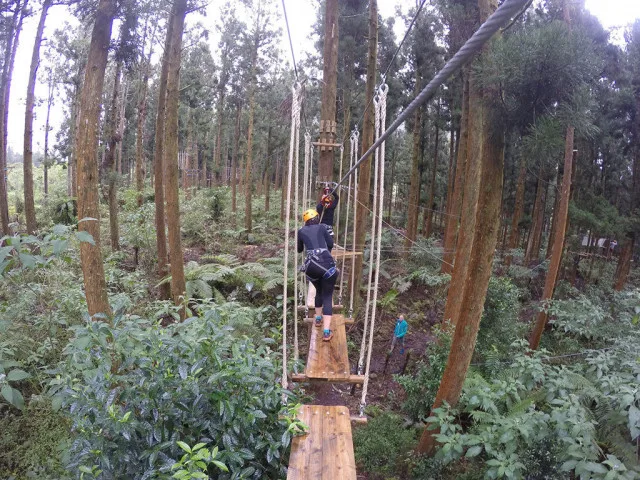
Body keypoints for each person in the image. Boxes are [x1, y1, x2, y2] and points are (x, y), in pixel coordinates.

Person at [298, 208, 339, 342]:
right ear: (316, 218)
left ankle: (318, 318)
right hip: (326, 266)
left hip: (312, 267)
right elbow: (330, 244)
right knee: (327, 296)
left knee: (318, 292)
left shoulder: (301, 231)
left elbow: (299, 250)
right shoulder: (322, 227)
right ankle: (326, 333)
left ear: (306, 221)